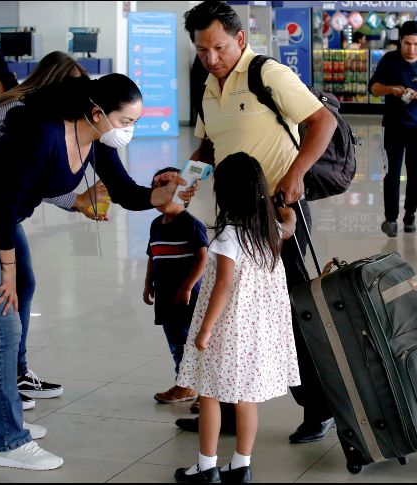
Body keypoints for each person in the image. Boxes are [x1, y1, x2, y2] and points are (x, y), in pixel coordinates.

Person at [0, 73, 193, 470]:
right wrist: (7, 268)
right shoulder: (46, 134)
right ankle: (10, 442)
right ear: (96, 112)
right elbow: (6, 203)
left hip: (0, 220)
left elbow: (124, 192)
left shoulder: (95, 140)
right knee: (3, 324)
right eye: (126, 121)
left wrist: (163, 194)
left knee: (2, 317)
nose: (129, 131)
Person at [175, 0, 337, 444]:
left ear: (240, 39)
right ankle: (223, 409)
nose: (212, 58)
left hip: (280, 212)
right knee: (226, 312)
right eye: (203, 50)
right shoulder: (208, 85)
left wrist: (296, 173)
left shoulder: (268, 74)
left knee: (295, 309)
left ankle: (321, 408)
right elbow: (208, 147)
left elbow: (321, 122)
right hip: (233, 215)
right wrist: (186, 181)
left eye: (220, 48)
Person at [0, 51, 102, 411]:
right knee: (1, 315)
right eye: (74, 84)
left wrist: (77, 201)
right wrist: (5, 265)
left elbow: (33, 180)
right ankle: (5, 395)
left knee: (21, 288)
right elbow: (17, 182)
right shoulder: (20, 112)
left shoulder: (44, 116)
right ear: (54, 82)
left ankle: (14, 376)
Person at [174, 152, 300, 484]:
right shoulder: (268, 229)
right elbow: (289, 227)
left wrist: (204, 331)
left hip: (228, 328)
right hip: (258, 329)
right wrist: (287, 212)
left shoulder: (229, 235)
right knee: (247, 398)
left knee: (209, 394)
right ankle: (242, 466)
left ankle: (206, 467)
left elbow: (224, 286)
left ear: (226, 193)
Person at [144, 167, 209, 405]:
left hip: (188, 297)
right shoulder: (155, 225)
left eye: (166, 188)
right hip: (165, 295)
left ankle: (205, 392)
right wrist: (147, 285)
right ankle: (185, 385)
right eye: (155, 188)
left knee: (194, 342)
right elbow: (153, 255)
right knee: (176, 342)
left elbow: (203, 258)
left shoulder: (191, 223)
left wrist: (188, 287)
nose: (159, 194)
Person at [369, 20, 417, 236]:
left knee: (416, 175)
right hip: (393, 127)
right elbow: (374, 88)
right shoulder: (389, 60)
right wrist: (392, 90)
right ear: (400, 42)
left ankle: (410, 215)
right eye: (407, 43)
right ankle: (391, 219)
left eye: (416, 44)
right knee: (392, 174)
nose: (411, 48)